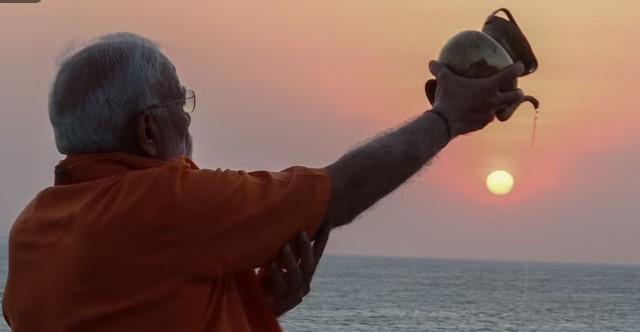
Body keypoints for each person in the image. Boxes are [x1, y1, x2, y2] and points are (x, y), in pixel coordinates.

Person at [2, 32, 528, 332]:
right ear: (147, 130)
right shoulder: (166, 202)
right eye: (179, 103)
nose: (189, 120)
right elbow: (338, 192)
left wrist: (250, 303)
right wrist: (447, 119)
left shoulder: (33, 230)